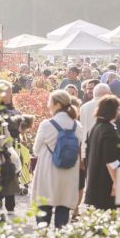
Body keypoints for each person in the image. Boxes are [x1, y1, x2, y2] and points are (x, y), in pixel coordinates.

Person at [31, 90, 84, 229]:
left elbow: (36, 150)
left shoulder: (47, 124)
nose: (48, 105)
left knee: (44, 204)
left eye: (50, 102)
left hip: (47, 169)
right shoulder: (77, 126)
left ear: (57, 104)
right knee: (63, 206)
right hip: (69, 170)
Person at [84, 95, 120, 210]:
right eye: (117, 108)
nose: (119, 111)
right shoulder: (108, 130)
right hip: (106, 183)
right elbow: (111, 160)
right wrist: (117, 182)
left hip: (96, 182)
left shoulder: (95, 127)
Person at [0, 80, 21, 212]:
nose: (11, 94)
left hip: (11, 145)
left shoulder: (9, 106)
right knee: (2, 174)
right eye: (8, 91)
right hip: (0, 146)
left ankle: (10, 203)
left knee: (11, 172)